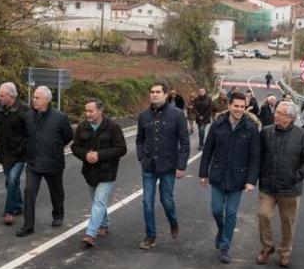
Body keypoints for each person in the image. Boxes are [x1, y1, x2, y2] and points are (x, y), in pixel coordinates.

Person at [199, 92, 261, 264]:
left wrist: (251, 181)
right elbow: (207, 151)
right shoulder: (217, 125)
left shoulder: (251, 128)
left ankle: (225, 246)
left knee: (231, 213)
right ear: (229, 106)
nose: (239, 110)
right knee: (217, 210)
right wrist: (203, 173)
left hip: (238, 179)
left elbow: (255, 157)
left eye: (242, 107)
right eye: (236, 106)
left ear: (245, 107)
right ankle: (222, 230)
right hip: (218, 176)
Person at [256, 101, 304, 268]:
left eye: (279, 113)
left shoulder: (303, 135)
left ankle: (284, 252)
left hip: (290, 189)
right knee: (263, 215)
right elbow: (257, 155)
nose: (275, 115)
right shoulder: (266, 132)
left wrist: (296, 177)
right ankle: (267, 247)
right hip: (268, 186)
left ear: (289, 117)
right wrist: (255, 176)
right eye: (276, 112)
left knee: (287, 223)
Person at [136, 82, 190, 249]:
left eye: (158, 92)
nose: (154, 95)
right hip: (149, 166)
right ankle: (150, 236)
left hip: (168, 166)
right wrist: (141, 156)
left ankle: (173, 222)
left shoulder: (177, 115)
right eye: (152, 92)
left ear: (166, 95)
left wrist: (181, 166)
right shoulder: (143, 116)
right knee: (147, 202)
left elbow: (185, 143)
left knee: (166, 200)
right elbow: (139, 139)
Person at [17, 86, 73, 237]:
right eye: (34, 97)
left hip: (53, 162)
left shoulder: (60, 117)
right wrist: (27, 148)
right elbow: (24, 135)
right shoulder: (28, 116)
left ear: (47, 100)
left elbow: (68, 136)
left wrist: (54, 147)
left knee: (56, 191)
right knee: (29, 190)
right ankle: (28, 225)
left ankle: (58, 214)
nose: (34, 100)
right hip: (33, 162)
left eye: (37, 98)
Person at [71, 98, 127, 247]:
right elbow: (75, 147)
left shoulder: (113, 127)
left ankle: (90, 233)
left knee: (99, 200)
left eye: (91, 111)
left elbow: (121, 149)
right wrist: (85, 155)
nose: (87, 114)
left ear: (100, 111)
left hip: (107, 172)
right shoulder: (82, 127)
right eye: (86, 110)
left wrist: (99, 155)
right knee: (97, 200)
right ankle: (104, 223)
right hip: (90, 172)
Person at [0, 82, 29, 226]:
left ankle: (9, 211)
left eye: (1, 95)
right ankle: (18, 205)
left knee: (12, 179)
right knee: (9, 181)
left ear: (11, 96)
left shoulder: (24, 110)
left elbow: (29, 133)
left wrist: (23, 148)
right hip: (3, 152)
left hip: (19, 154)